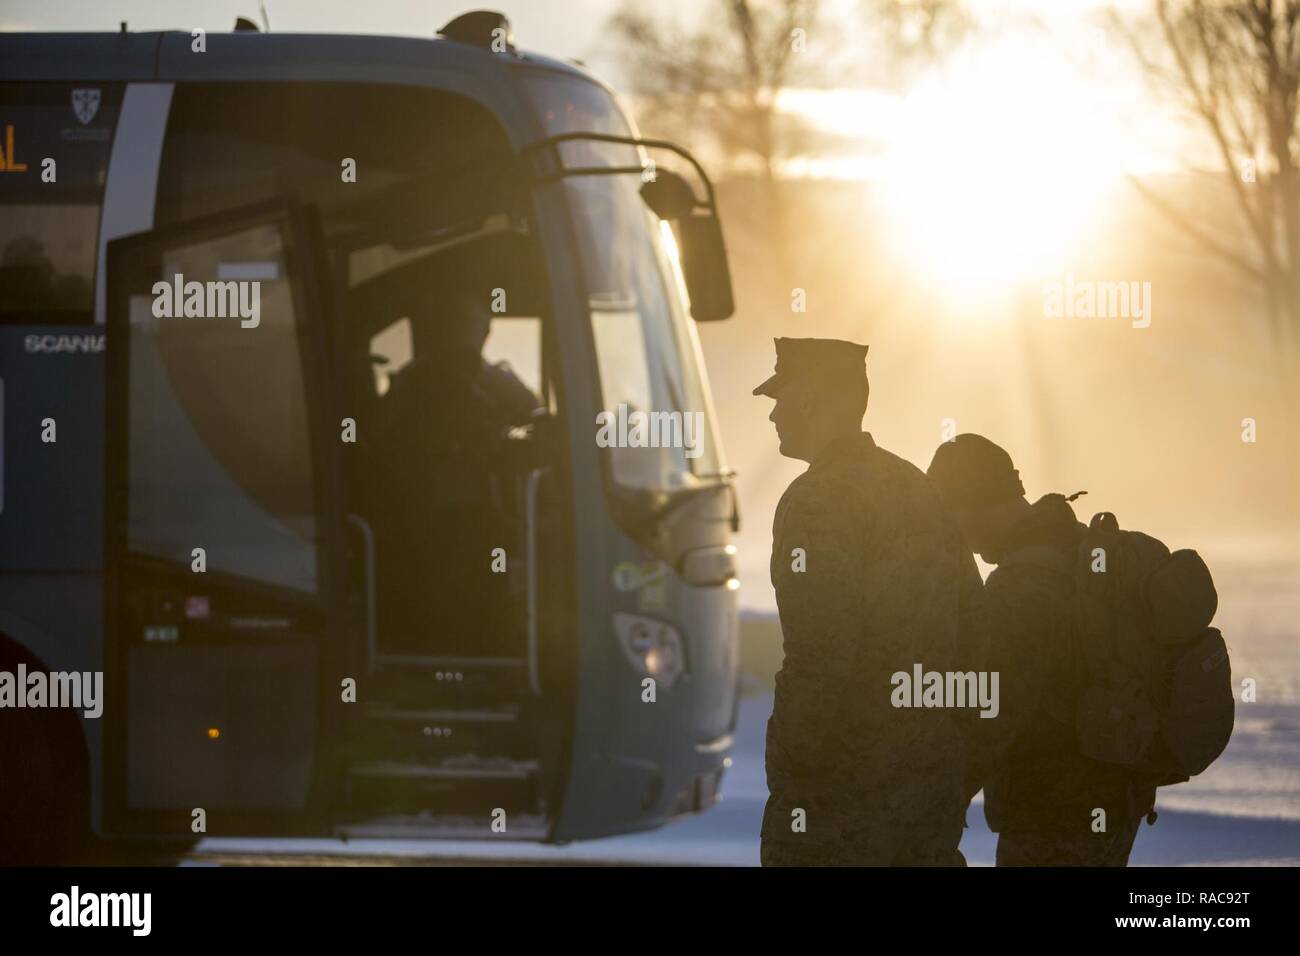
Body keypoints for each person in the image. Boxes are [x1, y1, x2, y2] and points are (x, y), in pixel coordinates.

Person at [753, 337, 975, 866]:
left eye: (780, 398)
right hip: (928, 788)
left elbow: (820, 654)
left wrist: (793, 768)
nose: (774, 415)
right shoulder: (917, 488)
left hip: (841, 799)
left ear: (809, 399)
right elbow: (975, 628)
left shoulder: (818, 500)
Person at [926, 433, 1153, 866]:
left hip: (1055, 812)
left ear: (975, 505)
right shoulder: (1072, 546)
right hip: (1112, 798)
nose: (959, 539)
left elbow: (996, 709)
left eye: (950, 517)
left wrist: (942, 799)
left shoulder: (1021, 585)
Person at [372, 287, 540, 657]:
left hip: (487, 518)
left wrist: (501, 434)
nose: (463, 332)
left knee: (489, 600)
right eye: (455, 322)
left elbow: (540, 430)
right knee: (432, 604)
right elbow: (379, 444)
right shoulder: (411, 383)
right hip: (421, 520)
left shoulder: (500, 384)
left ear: (486, 332)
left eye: (471, 323)